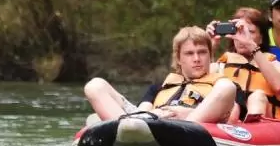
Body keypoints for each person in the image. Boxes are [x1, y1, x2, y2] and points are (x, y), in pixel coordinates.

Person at [83, 26, 237, 124]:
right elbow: (143, 111)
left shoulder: (220, 85)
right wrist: (160, 114)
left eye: (202, 52)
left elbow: (232, 116)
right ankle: (120, 129)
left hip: (191, 123)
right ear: (178, 58)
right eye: (189, 53)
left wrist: (190, 114)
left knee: (227, 86)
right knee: (94, 85)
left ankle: (189, 126)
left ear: (210, 55)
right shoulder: (159, 87)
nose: (196, 59)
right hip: (152, 121)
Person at [207, 8, 280, 120]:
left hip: (266, 122)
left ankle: (253, 127)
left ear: (261, 38)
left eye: (250, 32)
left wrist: (251, 45)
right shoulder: (219, 66)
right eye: (238, 31)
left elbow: (279, 86)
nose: (243, 36)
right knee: (233, 107)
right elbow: (194, 82)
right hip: (231, 121)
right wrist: (208, 45)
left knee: (257, 97)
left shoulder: (276, 65)